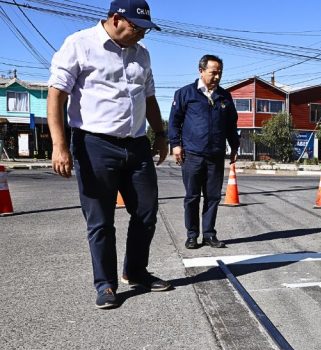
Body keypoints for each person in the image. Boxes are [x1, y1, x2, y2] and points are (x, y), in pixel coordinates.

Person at [47, 0, 171, 310]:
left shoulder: (142, 54)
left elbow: (150, 97)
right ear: (116, 19)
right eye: (136, 28)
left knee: (146, 212)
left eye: (145, 30)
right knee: (100, 220)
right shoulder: (80, 44)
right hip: (94, 144)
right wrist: (59, 145)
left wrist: (161, 134)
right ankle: (106, 284)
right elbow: (56, 95)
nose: (142, 35)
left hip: (137, 144)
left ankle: (136, 270)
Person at [168, 55, 240, 250]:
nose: (217, 77)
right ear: (201, 70)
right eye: (213, 72)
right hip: (192, 155)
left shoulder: (225, 97)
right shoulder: (185, 94)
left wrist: (234, 146)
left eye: (220, 73)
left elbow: (231, 125)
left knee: (213, 197)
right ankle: (192, 235)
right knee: (192, 196)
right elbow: (174, 121)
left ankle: (209, 234)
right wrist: (175, 144)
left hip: (215, 156)